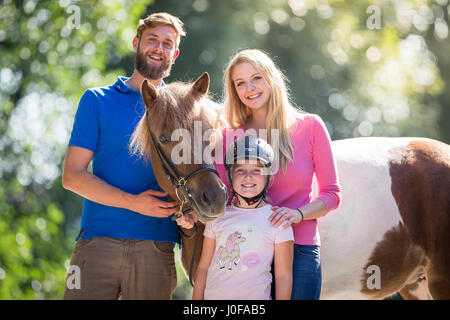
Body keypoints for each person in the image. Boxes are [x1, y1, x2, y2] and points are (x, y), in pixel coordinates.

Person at [62, 12, 190, 299]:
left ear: (175, 53)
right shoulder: (97, 100)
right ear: (136, 43)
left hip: (156, 247)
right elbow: (72, 177)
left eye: (167, 43)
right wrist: (133, 203)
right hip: (96, 243)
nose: (159, 47)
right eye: (152, 40)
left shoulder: (184, 111)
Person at [214, 49, 341, 300]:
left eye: (256, 78)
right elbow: (223, 199)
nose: (250, 88)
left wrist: (297, 214)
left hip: (299, 250)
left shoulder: (311, 127)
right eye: (240, 83)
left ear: (271, 78)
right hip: (248, 250)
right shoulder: (228, 136)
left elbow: (332, 195)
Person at [193, 135, 294, 300]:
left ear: (269, 176)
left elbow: (283, 276)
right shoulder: (218, 217)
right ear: (230, 175)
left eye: (257, 170)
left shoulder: (278, 221)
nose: (248, 177)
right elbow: (203, 268)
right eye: (240, 170)